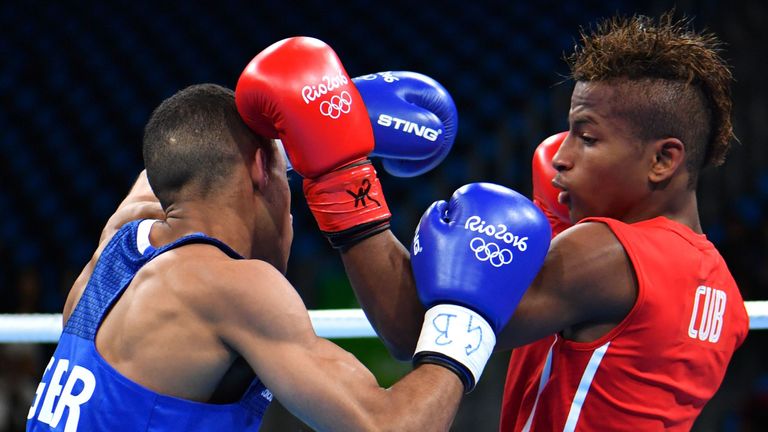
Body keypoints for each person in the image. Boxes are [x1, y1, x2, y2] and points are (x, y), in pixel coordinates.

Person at [25, 37, 551, 432]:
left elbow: (189, 154)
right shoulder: (228, 286)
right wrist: (464, 327)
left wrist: (327, 121)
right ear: (260, 170)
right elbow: (388, 426)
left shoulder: (123, 236)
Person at [278, 13, 751, 431]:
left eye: (587, 137)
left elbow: (411, 330)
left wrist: (338, 173)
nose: (560, 156)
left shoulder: (608, 254)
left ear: (663, 160)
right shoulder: (724, 294)